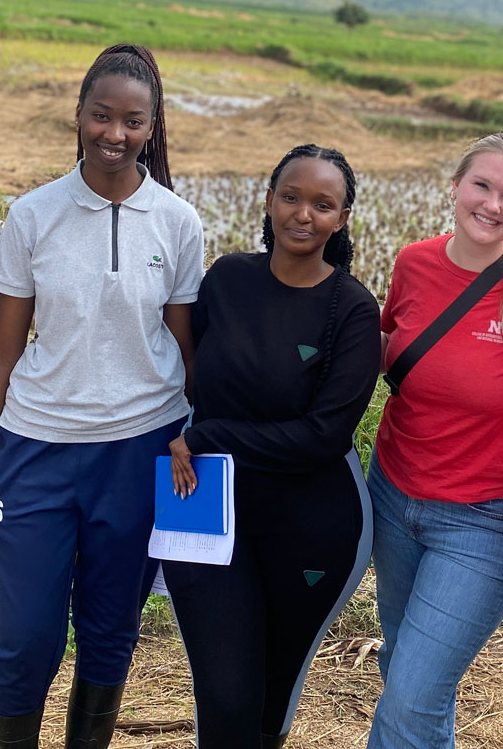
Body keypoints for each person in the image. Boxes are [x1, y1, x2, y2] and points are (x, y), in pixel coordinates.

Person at [0, 44, 203, 749]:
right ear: (79, 117)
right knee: (25, 635)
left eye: (132, 121)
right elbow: (0, 355)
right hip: (35, 452)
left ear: (152, 128)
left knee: (109, 628)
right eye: (101, 116)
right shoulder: (34, 215)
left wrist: (200, 436)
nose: (114, 135)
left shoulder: (177, 223)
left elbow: (187, 351)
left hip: (138, 452)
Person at [162, 144, 382, 749]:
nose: (303, 214)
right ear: (268, 200)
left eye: (322, 204)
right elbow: (191, 375)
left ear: (342, 217)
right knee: (226, 698)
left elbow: (324, 436)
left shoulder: (354, 311)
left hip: (311, 522)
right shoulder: (228, 278)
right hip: (203, 503)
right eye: (291, 196)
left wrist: (210, 436)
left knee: (269, 701)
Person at [367, 132, 503, 749]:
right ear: (455, 187)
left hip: (483, 523)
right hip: (392, 495)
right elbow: (385, 357)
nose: (492, 204)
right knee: (406, 675)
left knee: (411, 695)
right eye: (481, 186)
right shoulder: (413, 263)